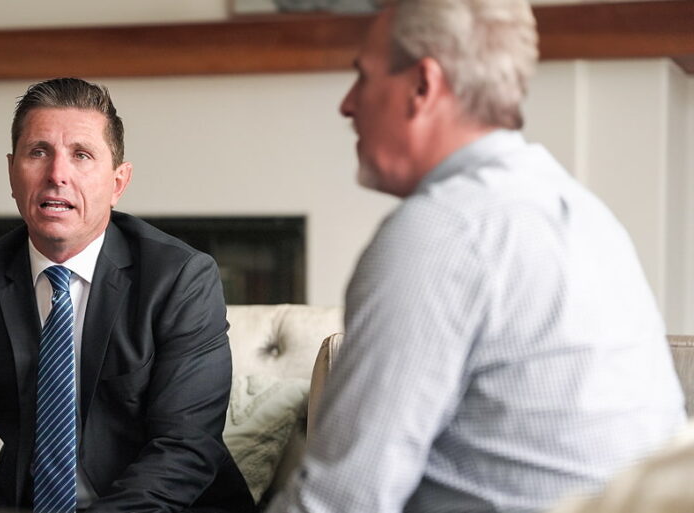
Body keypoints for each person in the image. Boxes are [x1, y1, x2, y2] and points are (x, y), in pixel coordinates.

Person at [267, 1, 686, 513]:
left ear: (423, 86)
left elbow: (340, 501)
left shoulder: (441, 231)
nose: (348, 105)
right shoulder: (583, 213)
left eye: (363, 76)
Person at [0, 78, 254, 512]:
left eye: (81, 155)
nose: (57, 174)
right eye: (38, 152)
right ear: (11, 171)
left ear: (118, 182)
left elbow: (184, 449)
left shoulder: (180, 279)